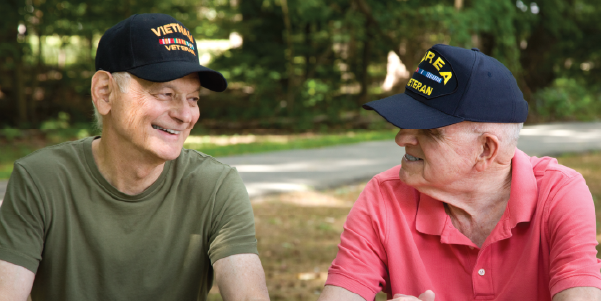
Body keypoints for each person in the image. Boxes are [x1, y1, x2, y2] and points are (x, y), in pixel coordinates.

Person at [0, 14, 270, 301]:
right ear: (104, 93)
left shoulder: (215, 187)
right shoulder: (41, 180)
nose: (185, 115)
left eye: (193, 98)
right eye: (166, 93)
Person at [318, 44, 601, 301]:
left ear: (486, 150)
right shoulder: (384, 196)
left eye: (428, 131)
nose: (402, 139)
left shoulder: (558, 194)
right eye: (405, 124)